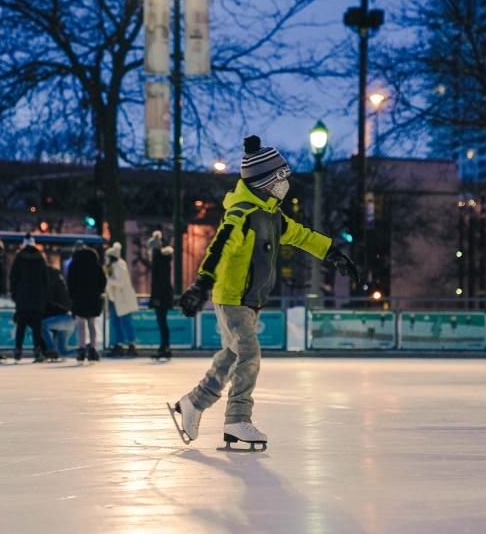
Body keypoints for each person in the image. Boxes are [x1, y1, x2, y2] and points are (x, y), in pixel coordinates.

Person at [169, 135, 361, 451]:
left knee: (231, 357)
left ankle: (194, 402)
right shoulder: (241, 214)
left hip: (248, 299)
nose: (285, 185)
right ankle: (236, 419)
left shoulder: (271, 214)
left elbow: (301, 235)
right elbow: (219, 248)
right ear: (263, 182)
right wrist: (202, 283)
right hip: (232, 296)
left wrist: (334, 253)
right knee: (249, 354)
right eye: (280, 179)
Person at [66, 243, 106, 362]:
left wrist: (72, 295)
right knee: (92, 324)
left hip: (79, 297)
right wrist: (98, 292)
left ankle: (81, 349)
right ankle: (93, 349)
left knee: (81, 325)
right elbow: (103, 280)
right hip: (93, 297)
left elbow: (70, 281)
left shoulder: (74, 263)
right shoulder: (95, 263)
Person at [9, 240, 48, 362]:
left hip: (22, 298)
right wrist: (43, 296)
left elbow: (13, 278)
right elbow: (45, 279)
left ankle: (18, 350)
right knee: (37, 327)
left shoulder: (19, 258)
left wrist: (15, 296)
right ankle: (37, 350)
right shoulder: (40, 259)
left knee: (21, 326)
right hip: (37, 298)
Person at [104, 242, 139, 357]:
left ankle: (131, 345)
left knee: (126, 322)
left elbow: (121, 282)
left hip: (122, 300)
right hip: (114, 300)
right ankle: (118, 344)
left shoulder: (119, 265)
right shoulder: (112, 266)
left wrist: (109, 281)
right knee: (115, 323)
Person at [146, 230, 174, 360]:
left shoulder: (159, 259)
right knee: (162, 321)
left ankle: (165, 347)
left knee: (162, 322)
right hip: (164, 294)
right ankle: (164, 347)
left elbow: (159, 281)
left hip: (161, 296)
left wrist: (156, 297)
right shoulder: (163, 259)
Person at [41, 265, 74, 361]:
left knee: (42, 325)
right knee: (63, 352)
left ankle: (51, 349)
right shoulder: (60, 282)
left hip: (63, 319)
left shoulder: (49, 287)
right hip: (69, 319)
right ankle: (83, 350)